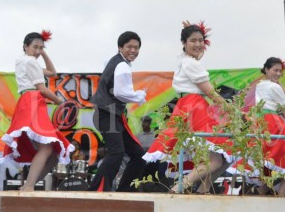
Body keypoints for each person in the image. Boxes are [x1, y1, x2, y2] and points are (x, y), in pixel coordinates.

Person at [144, 22, 232, 194]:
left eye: (201, 40)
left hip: (189, 107)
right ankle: (179, 188)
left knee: (219, 158)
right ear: (184, 43)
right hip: (196, 108)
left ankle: (201, 190)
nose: (198, 44)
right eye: (193, 41)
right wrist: (234, 112)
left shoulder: (185, 61)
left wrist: (191, 29)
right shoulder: (192, 64)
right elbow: (210, 92)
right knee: (217, 160)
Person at [0, 30, 72, 192]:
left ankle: (27, 185)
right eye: (35, 47)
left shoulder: (22, 61)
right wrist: (62, 103)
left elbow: (52, 72)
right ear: (25, 46)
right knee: (47, 148)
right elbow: (43, 89)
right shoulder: (31, 62)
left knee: (52, 153)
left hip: (27, 102)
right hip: (33, 101)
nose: (38, 51)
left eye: (41, 48)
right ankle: (29, 186)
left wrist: (42, 52)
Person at [88, 31, 147, 192]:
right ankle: (96, 191)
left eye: (136, 47)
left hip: (112, 114)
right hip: (107, 113)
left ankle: (125, 190)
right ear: (120, 47)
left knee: (138, 155)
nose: (133, 50)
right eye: (129, 47)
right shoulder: (122, 65)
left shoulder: (117, 61)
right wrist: (139, 96)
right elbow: (121, 93)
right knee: (116, 153)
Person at [245, 58, 285, 196]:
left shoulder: (260, 84)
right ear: (266, 70)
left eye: (280, 71)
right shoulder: (274, 87)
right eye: (275, 70)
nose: (278, 73)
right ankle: (280, 198)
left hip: (262, 122)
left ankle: (264, 196)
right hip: (274, 123)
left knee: (267, 161)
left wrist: (277, 82)